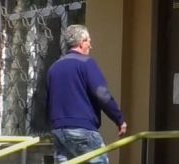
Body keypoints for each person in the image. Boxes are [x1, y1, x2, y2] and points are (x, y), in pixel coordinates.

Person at [47, 24, 127, 163]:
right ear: (81, 42)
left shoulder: (54, 68)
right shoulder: (86, 63)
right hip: (83, 130)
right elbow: (102, 94)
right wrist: (119, 119)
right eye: (89, 41)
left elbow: (48, 100)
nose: (91, 46)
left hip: (59, 130)